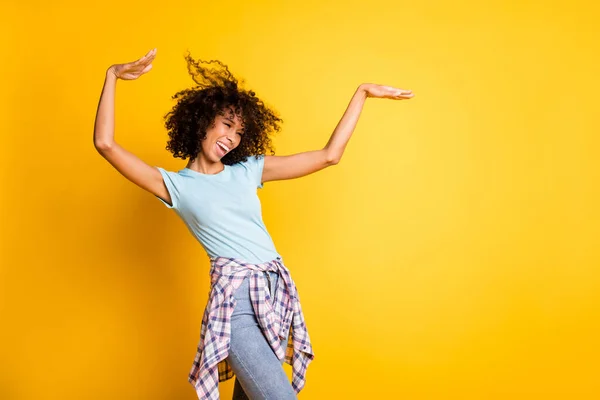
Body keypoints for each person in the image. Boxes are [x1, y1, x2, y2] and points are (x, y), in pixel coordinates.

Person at [93, 48, 414, 400]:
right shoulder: (175, 186)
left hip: (274, 296)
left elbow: (329, 155)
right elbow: (105, 144)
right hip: (236, 304)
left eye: (239, 132)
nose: (231, 138)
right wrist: (112, 76)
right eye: (226, 125)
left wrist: (362, 93)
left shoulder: (248, 171)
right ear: (202, 121)